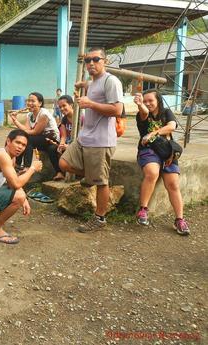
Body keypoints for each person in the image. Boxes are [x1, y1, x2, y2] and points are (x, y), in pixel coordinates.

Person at [59, 47, 124, 233]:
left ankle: (100, 218)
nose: (91, 63)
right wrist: (83, 85)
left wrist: (90, 104)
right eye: (88, 60)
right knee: (64, 163)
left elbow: (117, 110)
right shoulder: (94, 82)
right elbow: (91, 86)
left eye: (96, 59)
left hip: (101, 141)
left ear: (105, 60)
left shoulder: (111, 81)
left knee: (102, 182)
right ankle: (89, 177)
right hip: (85, 137)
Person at [134, 89, 189, 235]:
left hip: (166, 151)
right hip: (148, 150)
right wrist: (140, 105)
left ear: (158, 100)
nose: (148, 103)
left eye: (150, 100)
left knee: (173, 184)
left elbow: (172, 126)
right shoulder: (142, 115)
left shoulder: (166, 113)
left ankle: (180, 219)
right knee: (152, 172)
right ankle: (143, 210)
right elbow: (144, 112)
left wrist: (154, 133)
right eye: (145, 101)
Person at [10, 92, 60, 178]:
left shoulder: (44, 114)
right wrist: (15, 120)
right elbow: (26, 129)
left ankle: (26, 167)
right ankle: (16, 166)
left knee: (27, 139)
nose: (29, 103)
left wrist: (23, 133)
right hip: (41, 139)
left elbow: (35, 132)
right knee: (21, 137)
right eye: (28, 101)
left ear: (40, 103)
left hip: (51, 138)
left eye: (33, 101)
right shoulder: (29, 115)